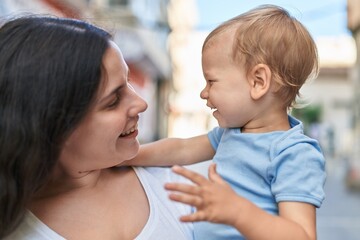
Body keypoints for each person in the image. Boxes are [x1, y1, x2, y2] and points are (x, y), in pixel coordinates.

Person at [128, 4, 326, 240]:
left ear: (258, 82)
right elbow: (181, 149)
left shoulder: (294, 153)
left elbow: (302, 235)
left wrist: (237, 211)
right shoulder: (231, 133)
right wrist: (129, 156)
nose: (204, 92)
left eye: (211, 81)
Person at [0, 15, 193, 239]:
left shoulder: (172, 182)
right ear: (54, 125)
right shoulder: (11, 228)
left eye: (128, 82)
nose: (141, 104)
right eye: (112, 101)